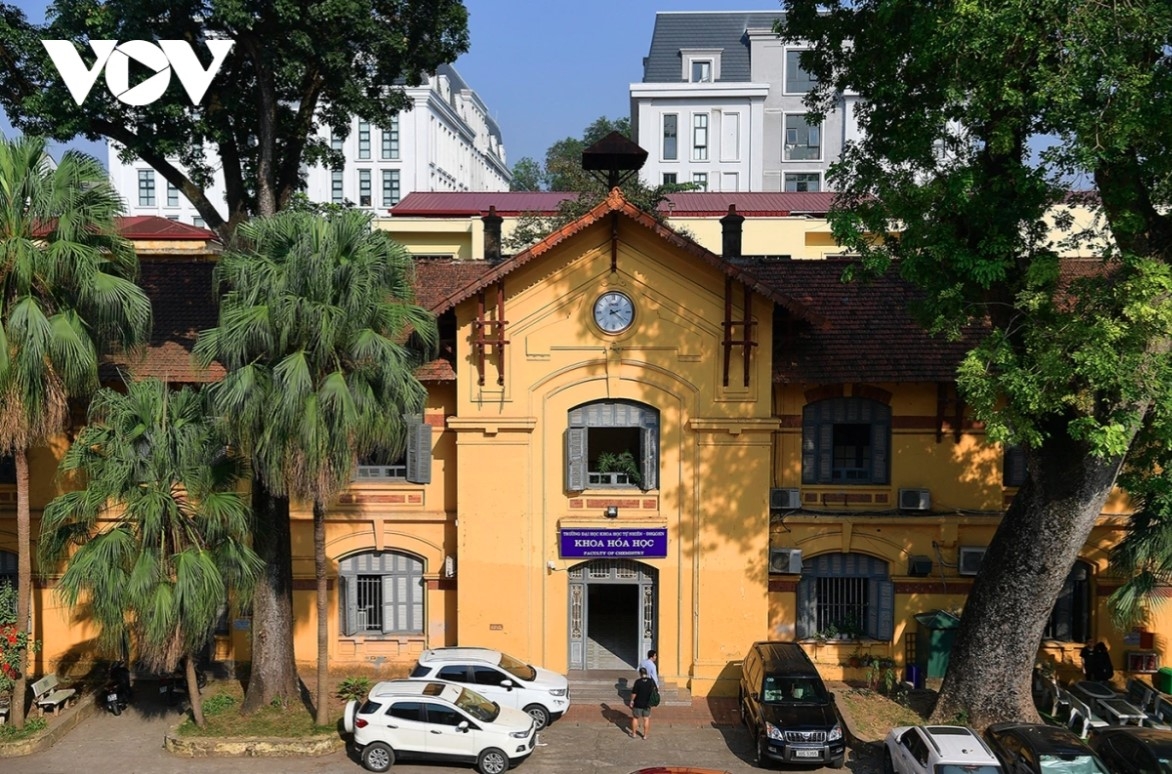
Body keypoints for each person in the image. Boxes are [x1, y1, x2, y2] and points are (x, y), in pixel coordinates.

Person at [628, 666, 656, 739]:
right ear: (646, 673)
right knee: (646, 719)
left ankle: (634, 734)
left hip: (638, 703)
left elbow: (634, 693)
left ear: (640, 673)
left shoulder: (638, 682)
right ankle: (645, 735)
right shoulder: (651, 681)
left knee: (635, 718)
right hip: (647, 704)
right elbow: (654, 690)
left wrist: (631, 701)